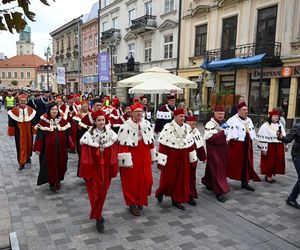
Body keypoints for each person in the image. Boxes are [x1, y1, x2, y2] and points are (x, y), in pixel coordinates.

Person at [79, 109, 119, 232]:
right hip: (94, 169)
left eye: (103, 120)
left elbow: (114, 152)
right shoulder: (88, 136)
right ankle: (98, 217)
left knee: (103, 192)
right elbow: (85, 155)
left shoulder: (111, 134)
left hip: (106, 168)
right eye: (99, 120)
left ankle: (97, 214)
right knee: (96, 193)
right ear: (95, 122)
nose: (101, 122)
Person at [118, 102, 157, 217]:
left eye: (141, 111)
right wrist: (126, 161)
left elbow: (151, 142)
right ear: (131, 113)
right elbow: (122, 146)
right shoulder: (125, 126)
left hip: (144, 155)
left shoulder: (147, 124)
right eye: (137, 112)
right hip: (132, 156)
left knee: (147, 180)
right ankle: (132, 203)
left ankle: (140, 199)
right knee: (131, 182)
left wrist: (153, 155)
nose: (139, 114)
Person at [155, 108, 198, 210]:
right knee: (168, 180)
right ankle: (160, 192)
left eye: (183, 116)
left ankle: (176, 199)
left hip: (184, 158)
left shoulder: (187, 127)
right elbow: (163, 146)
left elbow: (191, 144)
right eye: (180, 116)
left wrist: (193, 159)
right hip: (171, 158)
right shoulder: (167, 128)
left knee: (181, 179)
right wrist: (161, 163)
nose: (183, 118)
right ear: (174, 117)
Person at [33, 101, 72, 192]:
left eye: (56, 109)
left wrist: (70, 145)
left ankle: (58, 179)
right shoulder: (43, 121)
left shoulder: (62, 120)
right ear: (49, 111)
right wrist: (38, 148)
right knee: (50, 166)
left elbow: (67, 134)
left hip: (61, 149)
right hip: (48, 150)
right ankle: (52, 182)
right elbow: (39, 136)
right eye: (52, 109)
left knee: (61, 164)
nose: (54, 111)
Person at [226, 102, 261, 191]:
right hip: (236, 145)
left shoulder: (249, 120)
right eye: (244, 110)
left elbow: (252, 131)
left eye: (247, 109)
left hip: (247, 144)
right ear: (239, 111)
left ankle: (244, 182)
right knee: (233, 162)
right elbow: (225, 130)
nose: (246, 111)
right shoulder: (232, 120)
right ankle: (224, 179)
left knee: (247, 162)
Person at [202, 106, 230, 202]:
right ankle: (219, 191)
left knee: (213, 167)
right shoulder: (210, 124)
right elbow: (210, 138)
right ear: (214, 114)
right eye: (219, 113)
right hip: (213, 150)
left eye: (222, 114)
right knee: (217, 168)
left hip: (223, 149)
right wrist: (223, 133)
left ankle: (208, 182)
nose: (221, 115)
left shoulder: (224, 123)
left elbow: (228, 135)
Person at [7, 94, 36, 170]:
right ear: (18, 101)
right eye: (21, 101)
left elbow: (33, 121)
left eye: (24, 101)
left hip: (29, 131)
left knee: (29, 145)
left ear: (26, 101)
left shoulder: (31, 110)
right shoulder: (14, 111)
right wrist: (11, 131)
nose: (23, 102)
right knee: (20, 147)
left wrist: (34, 130)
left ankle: (28, 157)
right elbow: (11, 122)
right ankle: (21, 162)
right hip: (19, 132)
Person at [257, 110, 286, 183]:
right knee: (270, 162)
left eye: (277, 116)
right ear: (271, 117)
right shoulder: (265, 126)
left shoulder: (280, 125)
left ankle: (271, 175)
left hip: (278, 145)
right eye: (274, 116)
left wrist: (285, 145)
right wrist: (263, 148)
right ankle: (268, 176)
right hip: (270, 146)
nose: (276, 117)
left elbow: (284, 135)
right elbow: (262, 138)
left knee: (277, 161)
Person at [277, 122, 300, 209]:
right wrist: (281, 137)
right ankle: (292, 199)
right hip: (297, 155)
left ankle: (292, 198)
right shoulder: (298, 126)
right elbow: (288, 139)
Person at [185, 115, 207, 205]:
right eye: (191, 123)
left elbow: (200, 146)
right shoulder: (183, 131)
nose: (193, 125)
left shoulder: (196, 132)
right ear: (187, 123)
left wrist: (203, 157)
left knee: (191, 178)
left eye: (195, 123)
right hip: (184, 158)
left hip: (193, 159)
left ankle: (190, 195)